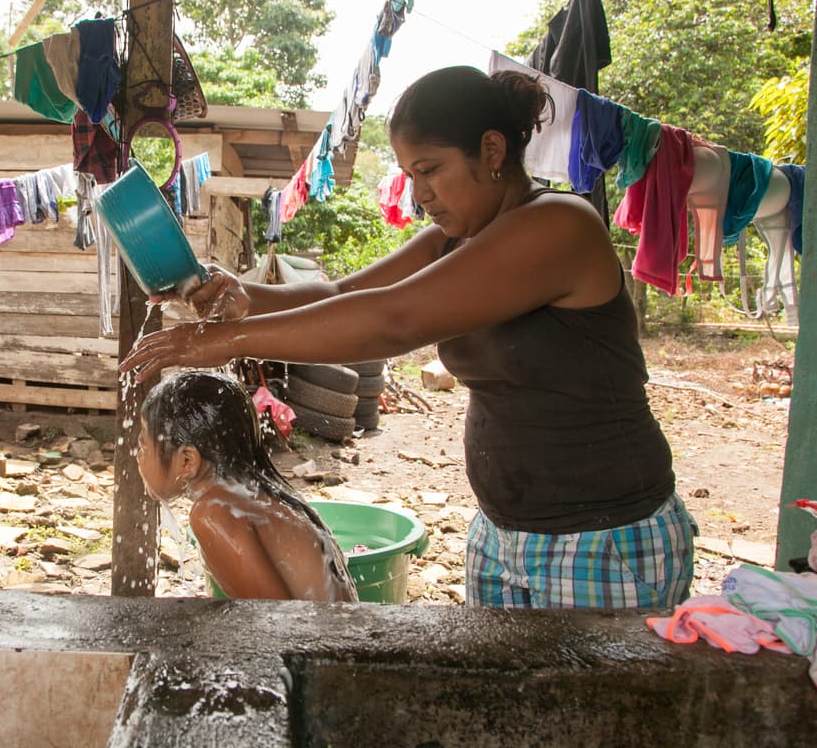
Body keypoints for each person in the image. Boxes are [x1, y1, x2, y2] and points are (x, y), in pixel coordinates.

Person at [122, 65, 697, 610]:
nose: (419, 192)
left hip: (605, 539)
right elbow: (340, 293)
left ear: (492, 152)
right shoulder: (455, 238)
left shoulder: (560, 226)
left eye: (430, 169)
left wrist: (225, 342)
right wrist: (245, 296)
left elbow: (393, 319)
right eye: (410, 174)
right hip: (505, 533)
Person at [138, 370, 358, 603]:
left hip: (317, 638)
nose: (138, 458)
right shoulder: (257, 493)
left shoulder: (215, 512)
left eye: (143, 448)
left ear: (187, 461)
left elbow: (272, 622)